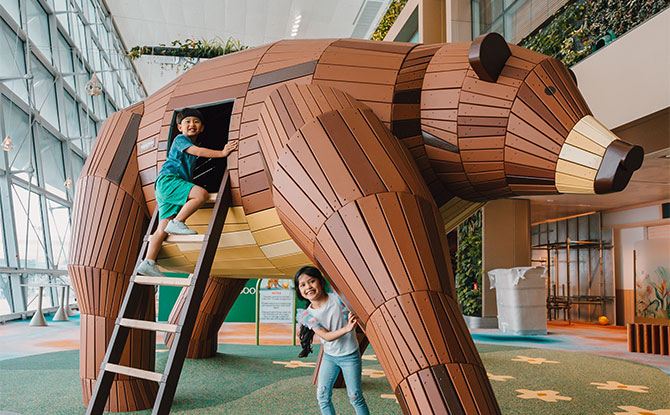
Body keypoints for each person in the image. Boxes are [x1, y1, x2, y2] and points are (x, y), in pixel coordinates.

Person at [136, 108, 237, 277]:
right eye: (187, 122)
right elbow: (197, 152)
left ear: (202, 128)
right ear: (180, 127)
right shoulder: (181, 139)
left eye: (196, 122)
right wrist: (222, 153)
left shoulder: (189, 142)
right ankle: (178, 222)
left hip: (164, 187)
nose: (192, 124)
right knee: (201, 195)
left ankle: (148, 262)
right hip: (170, 180)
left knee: (161, 229)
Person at [295, 266, 370, 415]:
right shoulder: (307, 315)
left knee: (355, 397)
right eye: (302, 285)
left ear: (321, 282)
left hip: (350, 356)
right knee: (322, 396)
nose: (308, 287)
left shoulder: (338, 299)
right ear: (299, 291)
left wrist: (350, 321)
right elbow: (325, 336)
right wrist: (347, 328)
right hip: (329, 357)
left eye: (311, 281)